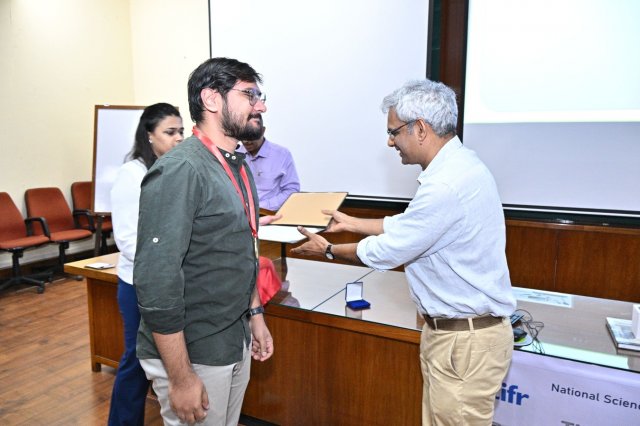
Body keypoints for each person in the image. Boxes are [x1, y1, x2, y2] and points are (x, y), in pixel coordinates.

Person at [292, 79, 516, 426]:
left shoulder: (445, 185)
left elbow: (390, 250)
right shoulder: (460, 165)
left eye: (394, 132)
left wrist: (329, 250)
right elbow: (415, 226)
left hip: (464, 343)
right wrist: (354, 222)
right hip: (460, 338)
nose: (390, 141)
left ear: (421, 129)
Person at [133, 57, 274, 426]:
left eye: (259, 96)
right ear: (212, 99)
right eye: (249, 95)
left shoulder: (236, 166)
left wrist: (255, 314)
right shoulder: (181, 169)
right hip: (195, 349)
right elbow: (156, 281)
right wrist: (181, 378)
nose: (260, 106)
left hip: (233, 335)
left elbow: (241, 250)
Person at [108, 103, 184, 426]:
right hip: (138, 284)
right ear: (149, 135)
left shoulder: (173, 170)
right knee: (137, 359)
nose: (179, 138)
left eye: (181, 131)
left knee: (161, 358)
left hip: (169, 281)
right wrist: (164, 264)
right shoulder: (131, 174)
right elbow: (127, 240)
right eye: (170, 132)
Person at [237, 121, 300, 211]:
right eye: (243, 137)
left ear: (263, 131)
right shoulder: (234, 154)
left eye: (251, 136)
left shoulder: (282, 154)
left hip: (269, 214)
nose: (246, 141)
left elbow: (292, 190)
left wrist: (262, 207)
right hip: (238, 214)